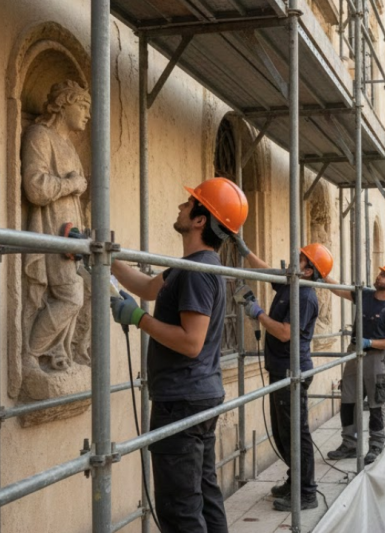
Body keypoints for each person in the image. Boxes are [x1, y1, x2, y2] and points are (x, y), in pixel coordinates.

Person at [110, 177, 248, 533]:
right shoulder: (190, 267)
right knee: (203, 494)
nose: (180, 207)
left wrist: (139, 319)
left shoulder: (196, 272)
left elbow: (191, 342)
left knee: (180, 510)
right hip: (197, 396)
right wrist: (107, 258)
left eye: (189, 204)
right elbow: (144, 285)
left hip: (181, 400)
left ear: (201, 220)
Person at [233, 239, 334, 511]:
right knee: (282, 432)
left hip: (293, 371)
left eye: (300, 258)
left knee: (294, 433)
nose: (293, 258)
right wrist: (244, 249)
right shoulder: (292, 284)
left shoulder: (304, 295)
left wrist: (258, 313)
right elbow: (267, 271)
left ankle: (307, 493)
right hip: (280, 368)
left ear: (309, 271)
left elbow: (285, 333)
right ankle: (295, 481)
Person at [21, 80, 91, 370]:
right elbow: (35, 187)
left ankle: (60, 353)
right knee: (70, 296)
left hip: (72, 232)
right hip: (52, 228)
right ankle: (31, 353)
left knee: (86, 291)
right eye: (83, 106)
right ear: (64, 104)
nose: (87, 114)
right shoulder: (40, 135)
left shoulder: (69, 147)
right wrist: (71, 184)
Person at [324, 263, 385, 465]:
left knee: (376, 403)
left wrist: (370, 342)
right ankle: (349, 444)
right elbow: (339, 289)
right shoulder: (365, 295)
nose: (380, 277)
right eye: (381, 273)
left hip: (376, 358)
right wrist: (322, 275)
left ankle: (376, 444)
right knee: (348, 399)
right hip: (354, 354)